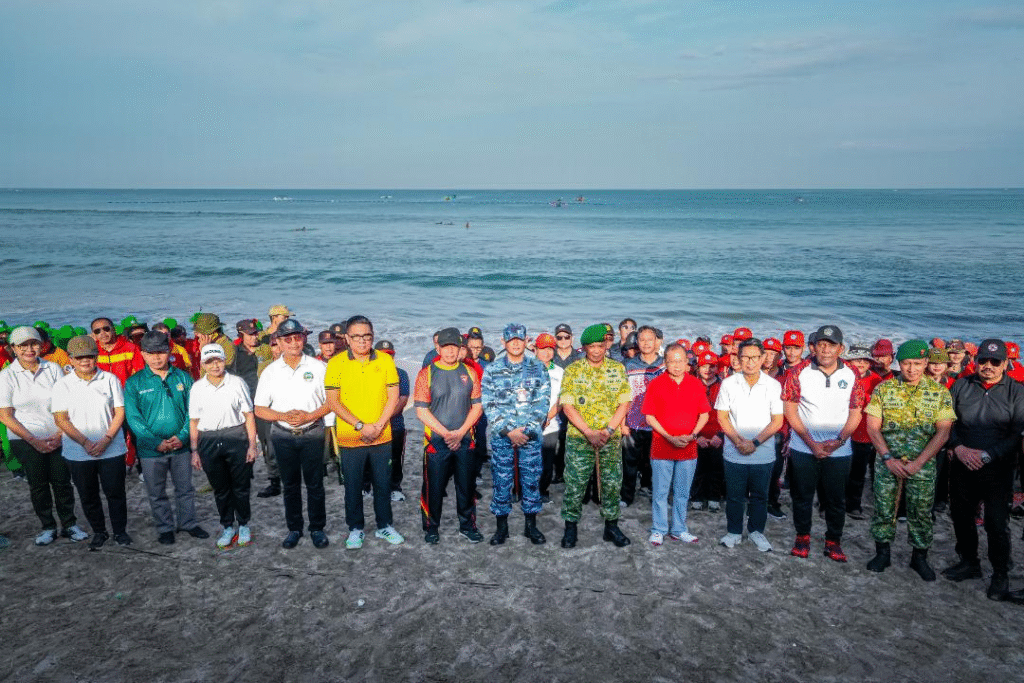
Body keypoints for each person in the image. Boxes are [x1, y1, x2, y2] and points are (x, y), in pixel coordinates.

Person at [863, 340, 955, 581]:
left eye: (917, 363)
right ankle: (882, 554)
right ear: (898, 363)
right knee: (883, 509)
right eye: (906, 363)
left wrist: (918, 463)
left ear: (926, 363)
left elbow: (943, 432)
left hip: (922, 465)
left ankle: (919, 558)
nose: (911, 369)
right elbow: (873, 427)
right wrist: (887, 458)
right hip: (887, 462)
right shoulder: (884, 389)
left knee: (920, 512)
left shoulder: (940, 393)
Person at [942, 339, 1024, 602]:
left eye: (995, 361)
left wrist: (990, 454)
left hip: (998, 469)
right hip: (963, 464)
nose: (988, 366)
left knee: (996, 523)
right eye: (983, 361)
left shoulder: (1017, 392)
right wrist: (959, 447)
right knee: (961, 516)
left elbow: (1017, 433)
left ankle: (1000, 573)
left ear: (1006, 364)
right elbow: (946, 421)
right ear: (975, 361)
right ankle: (969, 562)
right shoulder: (962, 385)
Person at [782, 325, 866, 562]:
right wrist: (811, 443)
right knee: (802, 496)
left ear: (841, 348)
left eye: (831, 345)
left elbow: (856, 411)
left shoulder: (851, 373)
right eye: (821, 344)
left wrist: (839, 441)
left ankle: (833, 540)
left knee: (836, 499)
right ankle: (802, 537)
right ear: (813, 347)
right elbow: (790, 409)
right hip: (803, 447)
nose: (826, 349)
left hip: (839, 450)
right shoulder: (799, 371)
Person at [0, 327, 88, 545]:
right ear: (13, 348)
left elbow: (66, 404)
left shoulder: (54, 369)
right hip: (25, 440)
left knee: (62, 482)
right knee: (38, 485)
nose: (29, 349)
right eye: (22, 345)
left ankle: (69, 524)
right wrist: (34, 441)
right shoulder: (6, 376)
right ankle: (48, 526)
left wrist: (60, 434)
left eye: (34, 344)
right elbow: (5, 415)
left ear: (41, 345)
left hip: (57, 436)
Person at [324, 315, 404, 549]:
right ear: (347, 338)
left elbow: (393, 396)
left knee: (383, 483)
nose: (362, 341)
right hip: (350, 436)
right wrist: (360, 425)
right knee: (353, 486)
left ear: (372, 337)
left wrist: (378, 425)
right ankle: (355, 528)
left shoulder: (385, 361)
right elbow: (333, 401)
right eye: (356, 336)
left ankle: (384, 526)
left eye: (367, 336)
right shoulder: (336, 363)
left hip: (382, 434)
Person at [255, 318, 333, 549]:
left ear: (304, 338)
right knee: (289, 485)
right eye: (287, 339)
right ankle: (294, 529)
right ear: (278, 342)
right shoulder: (270, 372)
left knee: (315, 484)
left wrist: (310, 416)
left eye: (297, 337)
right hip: (283, 434)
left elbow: (332, 402)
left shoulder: (318, 367)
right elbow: (260, 408)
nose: (293, 343)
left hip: (312, 432)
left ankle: (317, 528)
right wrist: (282, 415)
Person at [124, 330, 208, 545]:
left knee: (185, 488)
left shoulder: (183, 377)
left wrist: (182, 436)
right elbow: (134, 418)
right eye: (151, 353)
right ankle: (165, 528)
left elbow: (193, 410)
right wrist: (155, 442)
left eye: (161, 351)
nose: (156, 357)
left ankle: (188, 523)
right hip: (151, 450)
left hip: (181, 446)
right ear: (142, 354)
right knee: (156, 492)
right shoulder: (135, 383)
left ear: (169, 351)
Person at [51, 335, 131, 549]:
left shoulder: (110, 379)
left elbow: (120, 411)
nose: (85, 361)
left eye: (89, 356)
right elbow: (60, 418)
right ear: (70, 359)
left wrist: (106, 439)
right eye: (79, 357)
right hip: (78, 451)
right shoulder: (63, 385)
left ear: (96, 357)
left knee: (115, 493)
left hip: (111, 448)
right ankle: (99, 531)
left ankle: (120, 532)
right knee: (88, 494)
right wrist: (85, 442)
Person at [559, 324, 632, 548]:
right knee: (575, 483)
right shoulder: (573, 371)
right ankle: (570, 527)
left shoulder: (618, 369)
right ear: (585, 348)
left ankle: (611, 527)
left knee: (611, 483)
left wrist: (609, 431)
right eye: (592, 346)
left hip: (609, 437)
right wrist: (589, 432)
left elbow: (625, 402)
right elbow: (567, 406)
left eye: (601, 345)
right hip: (580, 438)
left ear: (606, 346)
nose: (597, 350)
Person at [480, 324, 550, 546]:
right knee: (501, 482)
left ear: (526, 340)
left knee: (531, 482)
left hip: (530, 437)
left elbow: (543, 402)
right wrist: (508, 431)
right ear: (503, 342)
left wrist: (526, 431)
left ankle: (531, 527)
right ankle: (502, 528)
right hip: (503, 437)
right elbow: (488, 404)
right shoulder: (492, 370)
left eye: (520, 339)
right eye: (511, 340)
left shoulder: (538, 367)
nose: (516, 344)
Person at [414, 327, 484, 544]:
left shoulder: (470, 372)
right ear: (438, 347)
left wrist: (461, 432)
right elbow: (421, 410)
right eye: (446, 347)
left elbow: (477, 407)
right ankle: (431, 527)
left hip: (464, 439)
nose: (450, 351)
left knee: (466, 487)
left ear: (460, 349)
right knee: (433, 488)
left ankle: (467, 525)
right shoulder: (426, 374)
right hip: (436, 441)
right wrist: (446, 434)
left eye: (455, 347)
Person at [715, 339, 785, 552]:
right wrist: (738, 441)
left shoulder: (773, 385)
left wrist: (754, 443)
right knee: (734, 496)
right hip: (734, 452)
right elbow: (722, 417)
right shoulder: (729, 383)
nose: (750, 362)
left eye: (755, 357)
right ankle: (734, 531)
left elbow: (777, 421)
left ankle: (756, 532)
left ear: (763, 358)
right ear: (738, 359)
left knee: (760, 496)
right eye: (745, 357)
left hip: (763, 453)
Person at [189, 344, 258, 549]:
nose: (215, 365)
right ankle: (228, 525)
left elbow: (249, 415)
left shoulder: (237, 383)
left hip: (235, 437)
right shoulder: (197, 388)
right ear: (203, 364)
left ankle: (244, 524)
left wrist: (252, 445)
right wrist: (194, 451)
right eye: (210, 362)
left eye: (218, 360)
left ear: (224, 360)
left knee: (241, 486)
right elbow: (193, 421)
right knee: (220, 488)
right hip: (208, 440)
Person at [641, 343, 710, 546]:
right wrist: (668, 437)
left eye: (680, 361)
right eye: (672, 361)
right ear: (665, 363)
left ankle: (679, 529)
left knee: (682, 493)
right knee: (661, 492)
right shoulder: (656, 384)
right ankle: (659, 529)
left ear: (687, 362)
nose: (676, 365)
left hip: (688, 447)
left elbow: (704, 414)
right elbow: (649, 417)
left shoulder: (696, 384)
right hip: (662, 446)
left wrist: (693, 435)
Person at [621, 325, 663, 506]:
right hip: (633, 422)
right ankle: (626, 497)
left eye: (650, 339)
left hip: (658, 424)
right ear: (637, 342)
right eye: (642, 339)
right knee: (629, 463)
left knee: (656, 464)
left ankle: (653, 492)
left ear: (657, 342)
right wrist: (622, 423)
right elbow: (622, 397)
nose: (646, 343)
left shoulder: (664, 364)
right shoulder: (628, 365)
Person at [843, 344, 884, 520]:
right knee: (837, 471)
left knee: (858, 473)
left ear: (870, 363)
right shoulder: (840, 377)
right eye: (855, 359)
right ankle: (829, 503)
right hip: (840, 432)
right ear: (848, 361)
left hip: (863, 435)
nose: (860, 363)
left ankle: (853, 505)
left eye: (864, 360)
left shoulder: (877, 382)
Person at [371, 340, 410, 501]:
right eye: (383, 355)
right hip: (372, 424)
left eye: (390, 355)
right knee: (372, 459)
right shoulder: (369, 373)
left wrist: (384, 419)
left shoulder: (401, 373)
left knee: (395, 458)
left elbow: (403, 399)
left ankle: (395, 487)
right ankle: (369, 486)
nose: (387, 358)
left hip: (394, 424)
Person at [691, 350, 724, 512]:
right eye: (704, 366)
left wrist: (721, 435)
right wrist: (696, 436)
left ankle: (714, 497)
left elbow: (730, 414)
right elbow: (686, 414)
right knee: (698, 468)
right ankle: (697, 496)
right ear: (697, 367)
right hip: (697, 434)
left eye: (712, 366)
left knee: (716, 468)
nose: (708, 370)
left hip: (718, 435)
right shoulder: (691, 385)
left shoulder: (725, 386)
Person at [533, 333, 563, 502]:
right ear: (535, 350)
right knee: (528, 462)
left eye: (550, 349)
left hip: (551, 425)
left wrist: (548, 417)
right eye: (543, 349)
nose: (546, 352)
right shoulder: (526, 370)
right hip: (529, 424)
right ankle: (524, 491)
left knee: (547, 462)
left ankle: (542, 491)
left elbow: (562, 399)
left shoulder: (560, 372)